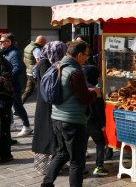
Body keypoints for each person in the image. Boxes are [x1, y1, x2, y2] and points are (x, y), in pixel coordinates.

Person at [41, 40, 100, 187]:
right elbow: (85, 98)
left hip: (56, 117)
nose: (87, 57)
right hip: (72, 121)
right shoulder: (74, 72)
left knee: (62, 153)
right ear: (79, 55)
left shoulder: (58, 64)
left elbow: (69, 90)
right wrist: (95, 94)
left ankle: (47, 183)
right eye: (86, 55)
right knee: (77, 161)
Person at [32, 41, 67, 175]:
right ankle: (48, 166)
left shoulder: (46, 62)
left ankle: (55, 163)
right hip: (47, 104)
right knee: (48, 133)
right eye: (61, 52)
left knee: (49, 132)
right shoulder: (46, 64)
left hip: (45, 102)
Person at [0, 33, 32, 137]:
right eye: (0, 41)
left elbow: (18, 68)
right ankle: (11, 125)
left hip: (12, 85)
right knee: (8, 106)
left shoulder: (14, 53)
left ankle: (27, 126)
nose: (0, 43)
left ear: (9, 42)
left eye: (2, 41)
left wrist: (7, 76)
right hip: (5, 85)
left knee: (17, 107)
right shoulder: (4, 52)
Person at [82, 65, 109, 177]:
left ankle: (81, 169)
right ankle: (99, 167)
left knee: (82, 146)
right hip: (93, 122)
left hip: (81, 121)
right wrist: (103, 124)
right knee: (100, 142)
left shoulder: (81, 88)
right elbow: (99, 109)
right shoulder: (95, 90)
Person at [22, 35, 46, 103]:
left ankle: (19, 106)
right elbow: (39, 61)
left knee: (28, 90)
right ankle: (43, 106)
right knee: (43, 89)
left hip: (28, 72)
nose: (45, 44)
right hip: (34, 73)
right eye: (44, 42)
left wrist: (29, 67)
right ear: (41, 42)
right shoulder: (36, 49)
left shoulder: (28, 46)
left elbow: (24, 59)